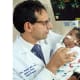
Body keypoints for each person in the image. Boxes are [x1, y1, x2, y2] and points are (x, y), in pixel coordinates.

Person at [13, 1, 76, 80]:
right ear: (28, 26)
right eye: (45, 22)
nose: (50, 26)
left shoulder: (48, 35)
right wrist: (52, 66)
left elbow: (68, 40)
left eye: (48, 21)